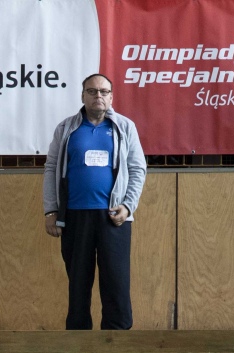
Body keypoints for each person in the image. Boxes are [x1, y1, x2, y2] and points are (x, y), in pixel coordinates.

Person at [43, 73, 147, 330]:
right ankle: (78, 339)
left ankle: (117, 337)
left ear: (111, 97)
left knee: (116, 282)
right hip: (74, 217)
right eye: (91, 91)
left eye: (103, 92)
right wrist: (51, 210)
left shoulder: (125, 127)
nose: (97, 96)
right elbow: (51, 167)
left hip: (114, 217)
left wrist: (128, 206)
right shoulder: (66, 129)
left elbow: (138, 169)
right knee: (78, 282)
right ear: (83, 96)